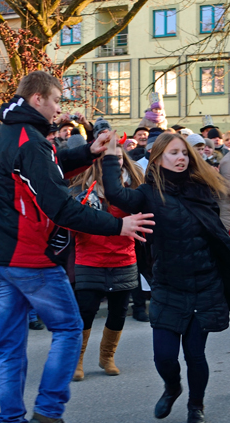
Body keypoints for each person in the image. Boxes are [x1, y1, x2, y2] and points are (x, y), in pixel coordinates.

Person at [0, 71, 154, 423]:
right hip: (27, 258)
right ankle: (48, 414)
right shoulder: (31, 141)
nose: (60, 108)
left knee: (10, 346)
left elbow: (50, 168)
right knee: (70, 328)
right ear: (38, 98)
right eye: (56, 100)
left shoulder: (11, 133)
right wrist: (117, 225)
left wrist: (88, 152)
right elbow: (58, 203)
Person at [100, 131, 230, 423]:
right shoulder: (147, 194)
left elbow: (217, 235)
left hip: (204, 284)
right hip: (168, 285)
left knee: (195, 354)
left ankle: (196, 405)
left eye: (184, 153)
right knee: (164, 356)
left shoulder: (204, 189)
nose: (181, 158)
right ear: (158, 158)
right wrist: (112, 156)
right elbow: (115, 195)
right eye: (174, 153)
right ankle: (172, 387)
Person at [69, 142, 144, 381]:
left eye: (120, 157)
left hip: (123, 258)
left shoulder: (133, 189)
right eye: (110, 156)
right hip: (90, 258)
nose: (116, 161)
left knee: (118, 312)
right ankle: (76, 361)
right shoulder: (81, 189)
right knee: (86, 311)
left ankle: (107, 357)